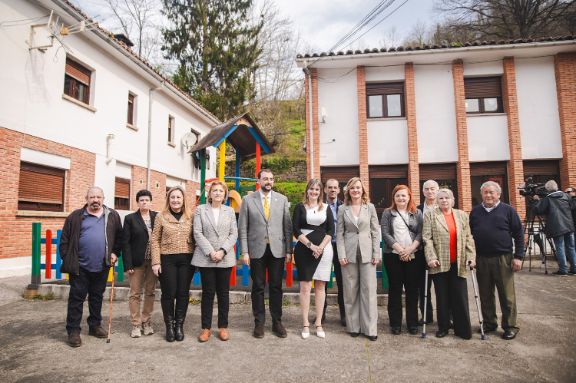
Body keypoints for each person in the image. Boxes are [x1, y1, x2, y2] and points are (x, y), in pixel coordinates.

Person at [59, 186, 122, 347]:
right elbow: (64, 241)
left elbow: (119, 238)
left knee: (96, 297)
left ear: (103, 199)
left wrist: (115, 252)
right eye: (92, 197)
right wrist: (68, 258)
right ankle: (73, 331)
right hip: (80, 267)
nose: (95, 200)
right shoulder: (76, 216)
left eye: (98, 197)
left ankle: (94, 326)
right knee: (76, 299)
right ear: (86, 199)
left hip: (102, 266)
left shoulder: (112, 216)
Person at [238, 169, 292, 339]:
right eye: (265, 178)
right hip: (256, 250)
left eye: (271, 178)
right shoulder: (248, 200)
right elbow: (242, 228)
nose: (268, 181)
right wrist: (244, 251)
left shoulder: (282, 200)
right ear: (259, 180)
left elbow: (287, 227)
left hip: (277, 250)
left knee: (276, 287)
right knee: (258, 287)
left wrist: (289, 250)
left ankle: (277, 322)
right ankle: (259, 322)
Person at [470, 181, 524, 340]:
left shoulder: (508, 210)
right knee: (485, 294)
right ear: (481, 194)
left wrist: (519, 256)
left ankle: (510, 326)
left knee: (507, 295)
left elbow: (519, 235)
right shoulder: (475, 212)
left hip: (503, 258)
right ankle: (489, 323)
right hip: (481, 259)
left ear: (498, 194)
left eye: (491, 192)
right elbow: (469, 236)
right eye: (485, 192)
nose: (488, 195)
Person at [423, 188, 476, 339]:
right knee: (442, 297)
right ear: (437, 201)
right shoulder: (430, 215)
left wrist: (471, 256)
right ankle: (443, 327)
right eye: (441, 198)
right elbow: (427, 239)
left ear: (453, 200)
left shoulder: (461, 215)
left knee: (460, 296)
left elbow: (468, 237)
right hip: (439, 262)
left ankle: (463, 329)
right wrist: (431, 258)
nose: (444, 200)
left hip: (458, 262)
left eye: (447, 198)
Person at [192, 181, 238, 342]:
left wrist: (222, 251)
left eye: (221, 191)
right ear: (209, 194)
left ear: (225, 195)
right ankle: (206, 328)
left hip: (225, 258)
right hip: (207, 257)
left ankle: (223, 327)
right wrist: (211, 251)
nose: (217, 193)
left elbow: (234, 234)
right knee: (208, 293)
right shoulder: (200, 210)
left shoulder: (230, 211)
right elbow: (197, 232)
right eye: (214, 190)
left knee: (223, 294)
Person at [336, 177, 381, 341]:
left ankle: (370, 329)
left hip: (368, 253)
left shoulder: (370, 208)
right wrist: (341, 254)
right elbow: (339, 234)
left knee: (369, 291)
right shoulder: (342, 209)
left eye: (358, 188)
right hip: (348, 254)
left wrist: (377, 253)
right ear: (348, 191)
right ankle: (353, 326)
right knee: (350, 291)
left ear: (363, 190)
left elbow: (376, 232)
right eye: (352, 188)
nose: (355, 190)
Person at [151, 186, 195, 342]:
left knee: (183, 293)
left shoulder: (191, 216)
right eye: (172, 197)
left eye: (178, 197)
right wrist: (156, 262)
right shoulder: (161, 216)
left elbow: (197, 237)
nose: (175, 200)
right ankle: (169, 326)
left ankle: (179, 326)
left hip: (187, 259)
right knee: (168, 294)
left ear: (183, 200)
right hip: (167, 259)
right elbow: (155, 239)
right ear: (168, 200)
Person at [292, 179, 334, 339]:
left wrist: (321, 247)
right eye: (311, 189)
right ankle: (305, 324)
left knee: (321, 286)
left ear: (320, 191)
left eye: (317, 189)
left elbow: (331, 230)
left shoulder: (327, 208)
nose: (314, 192)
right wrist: (311, 246)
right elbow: (295, 229)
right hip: (304, 249)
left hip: (324, 250)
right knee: (305, 287)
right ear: (307, 190)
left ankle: (318, 323)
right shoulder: (299, 207)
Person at [381, 185, 423, 335]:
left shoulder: (417, 213)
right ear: (394, 198)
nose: (401, 198)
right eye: (398, 196)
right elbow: (385, 233)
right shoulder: (388, 213)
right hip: (393, 255)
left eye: (404, 195)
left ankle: (412, 323)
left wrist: (410, 249)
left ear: (409, 197)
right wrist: (400, 249)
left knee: (412, 290)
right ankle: (395, 324)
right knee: (395, 289)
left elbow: (420, 233)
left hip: (414, 255)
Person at [122, 189, 158, 338]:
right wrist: (128, 263)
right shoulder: (130, 218)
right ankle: (135, 324)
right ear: (137, 202)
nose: (144, 202)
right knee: (135, 293)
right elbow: (126, 243)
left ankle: (146, 321)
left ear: (150, 202)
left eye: (147, 200)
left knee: (150, 292)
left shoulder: (157, 217)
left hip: (153, 262)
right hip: (136, 262)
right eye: (141, 200)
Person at [533, 180, 576, 275]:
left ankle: (563, 270)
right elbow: (572, 207)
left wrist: (536, 201)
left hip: (557, 227)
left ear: (547, 189)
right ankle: (574, 269)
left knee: (560, 247)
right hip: (569, 225)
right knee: (571, 247)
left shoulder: (548, 199)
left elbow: (538, 210)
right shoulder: (566, 196)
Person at [319, 179, 346, 327]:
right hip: (324, 246)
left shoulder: (344, 206)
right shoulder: (320, 205)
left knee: (342, 283)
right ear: (325, 190)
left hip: (340, 247)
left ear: (339, 190)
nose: (332, 190)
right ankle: (321, 314)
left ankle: (344, 315)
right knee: (322, 281)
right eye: (330, 187)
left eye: (335, 187)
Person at [416, 179, 438, 324]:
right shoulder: (417, 209)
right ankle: (426, 316)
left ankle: (446, 316)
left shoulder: (442, 206)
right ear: (423, 191)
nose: (429, 191)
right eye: (426, 189)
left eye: (432, 189)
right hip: (421, 253)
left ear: (437, 190)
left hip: (440, 252)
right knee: (423, 287)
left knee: (442, 287)